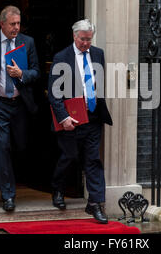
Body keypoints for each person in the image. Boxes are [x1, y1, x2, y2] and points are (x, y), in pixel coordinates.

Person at [48, 19, 113, 224]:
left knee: (93, 159)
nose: (86, 43)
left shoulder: (98, 54)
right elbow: (54, 93)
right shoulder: (61, 57)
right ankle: (57, 188)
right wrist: (64, 118)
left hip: (93, 117)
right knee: (69, 156)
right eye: (83, 39)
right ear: (74, 36)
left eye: (89, 39)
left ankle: (95, 204)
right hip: (71, 119)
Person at [0, 6, 40, 211]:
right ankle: (8, 195)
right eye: (12, 24)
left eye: (18, 24)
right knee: (2, 146)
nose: (16, 28)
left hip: (20, 103)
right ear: (2, 24)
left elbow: (36, 72)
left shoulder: (28, 42)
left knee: (20, 145)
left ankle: (4, 179)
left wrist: (21, 74)